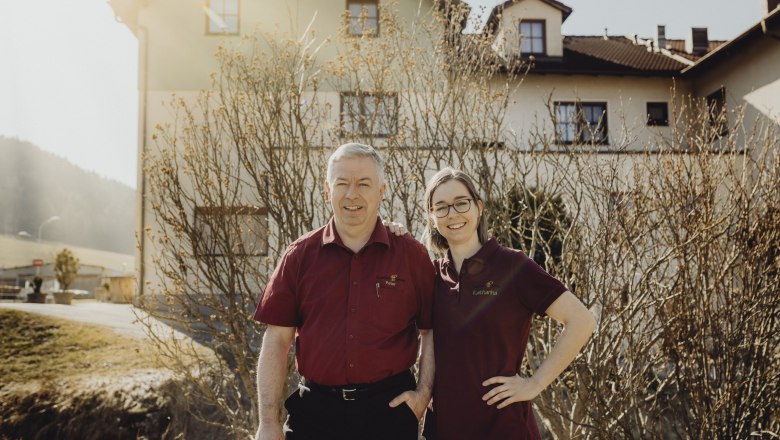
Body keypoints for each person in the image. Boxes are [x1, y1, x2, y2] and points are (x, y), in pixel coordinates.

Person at [252, 143, 435, 440]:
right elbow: (276, 341)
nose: (352, 194)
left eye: (364, 183)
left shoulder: (411, 255)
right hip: (314, 414)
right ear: (327, 190)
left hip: (389, 412)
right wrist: (268, 421)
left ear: (382, 191)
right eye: (342, 183)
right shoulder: (300, 256)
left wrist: (423, 395)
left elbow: (431, 331)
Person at [420, 167, 597, 440]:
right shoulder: (431, 276)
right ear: (432, 218)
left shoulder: (513, 266)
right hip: (444, 429)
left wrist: (534, 384)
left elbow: (581, 321)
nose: (452, 213)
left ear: (478, 208)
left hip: (504, 428)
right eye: (440, 207)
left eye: (461, 203)